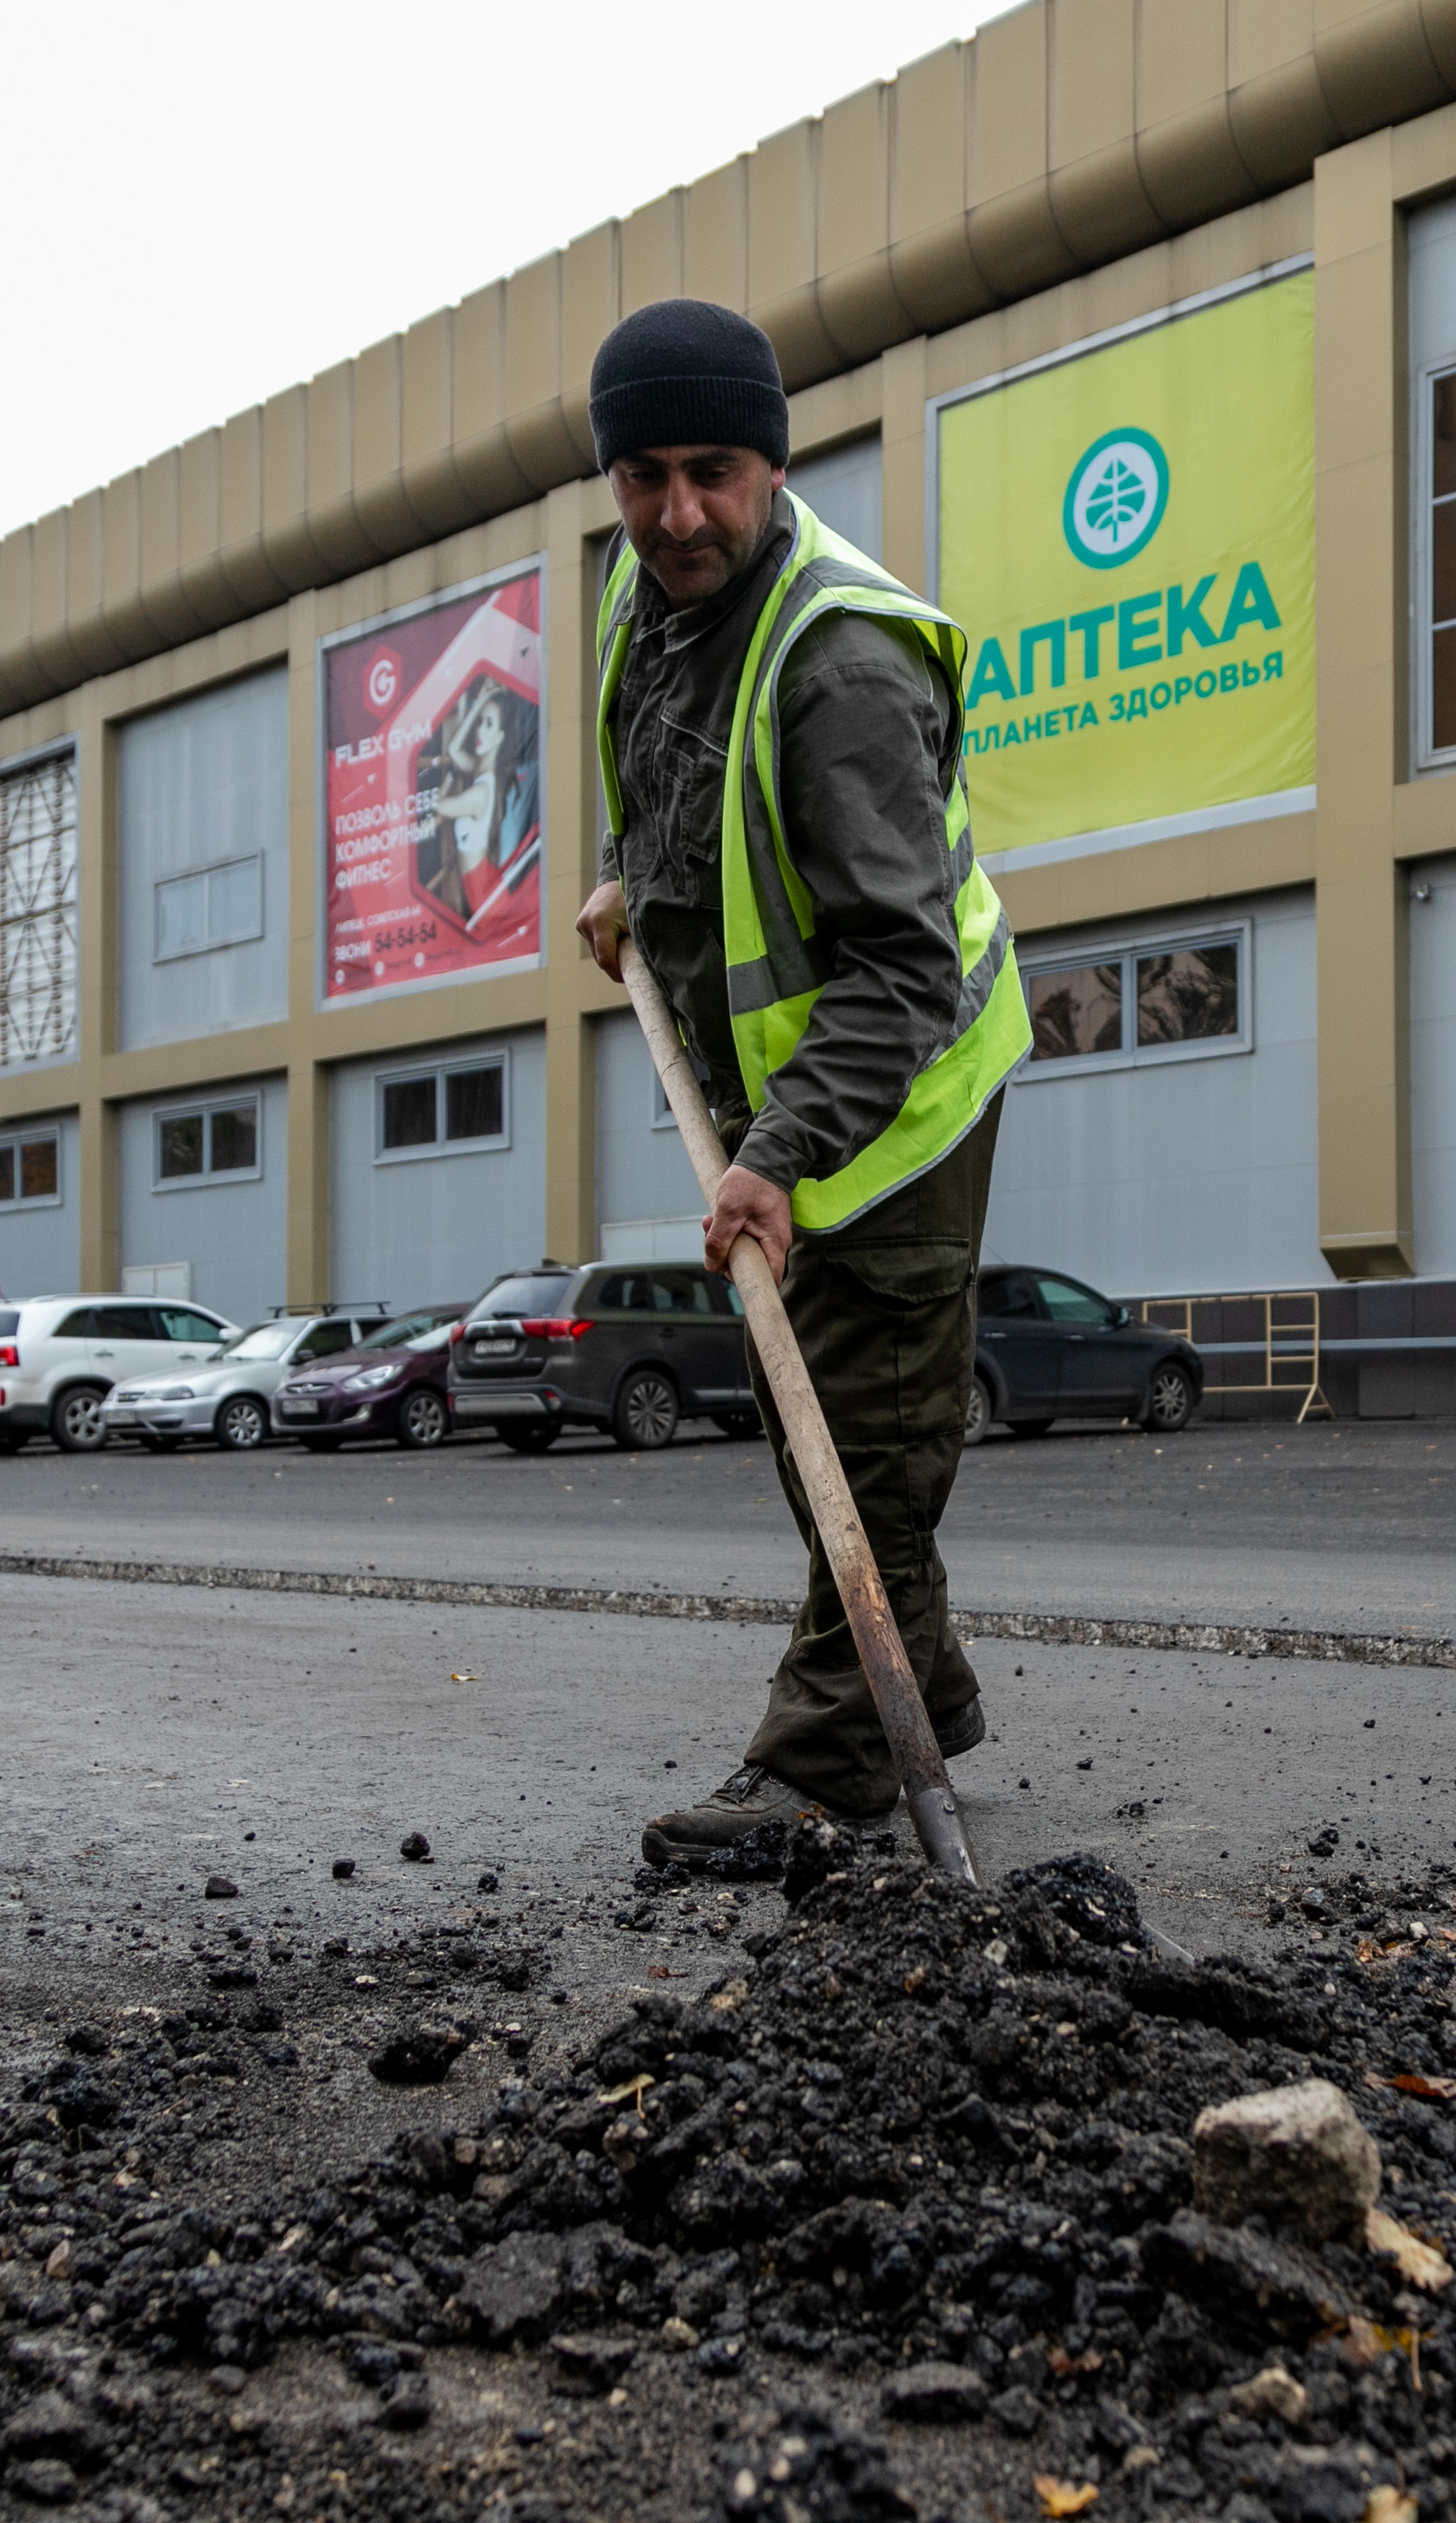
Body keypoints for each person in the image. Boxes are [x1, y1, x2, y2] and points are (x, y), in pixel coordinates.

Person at [572, 298, 1032, 1865]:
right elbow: (680, 788)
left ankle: (826, 1760)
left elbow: (901, 967)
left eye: (712, 471)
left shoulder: (836, 661)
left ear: (772, 465)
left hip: (899, 1107)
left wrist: (775, 1155)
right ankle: (930, 1692)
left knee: (865, 1442)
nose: (677, 512)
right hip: (790, 1114)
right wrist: (628, 879)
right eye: (644, 476)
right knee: (809, 1422)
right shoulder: (642, 604)